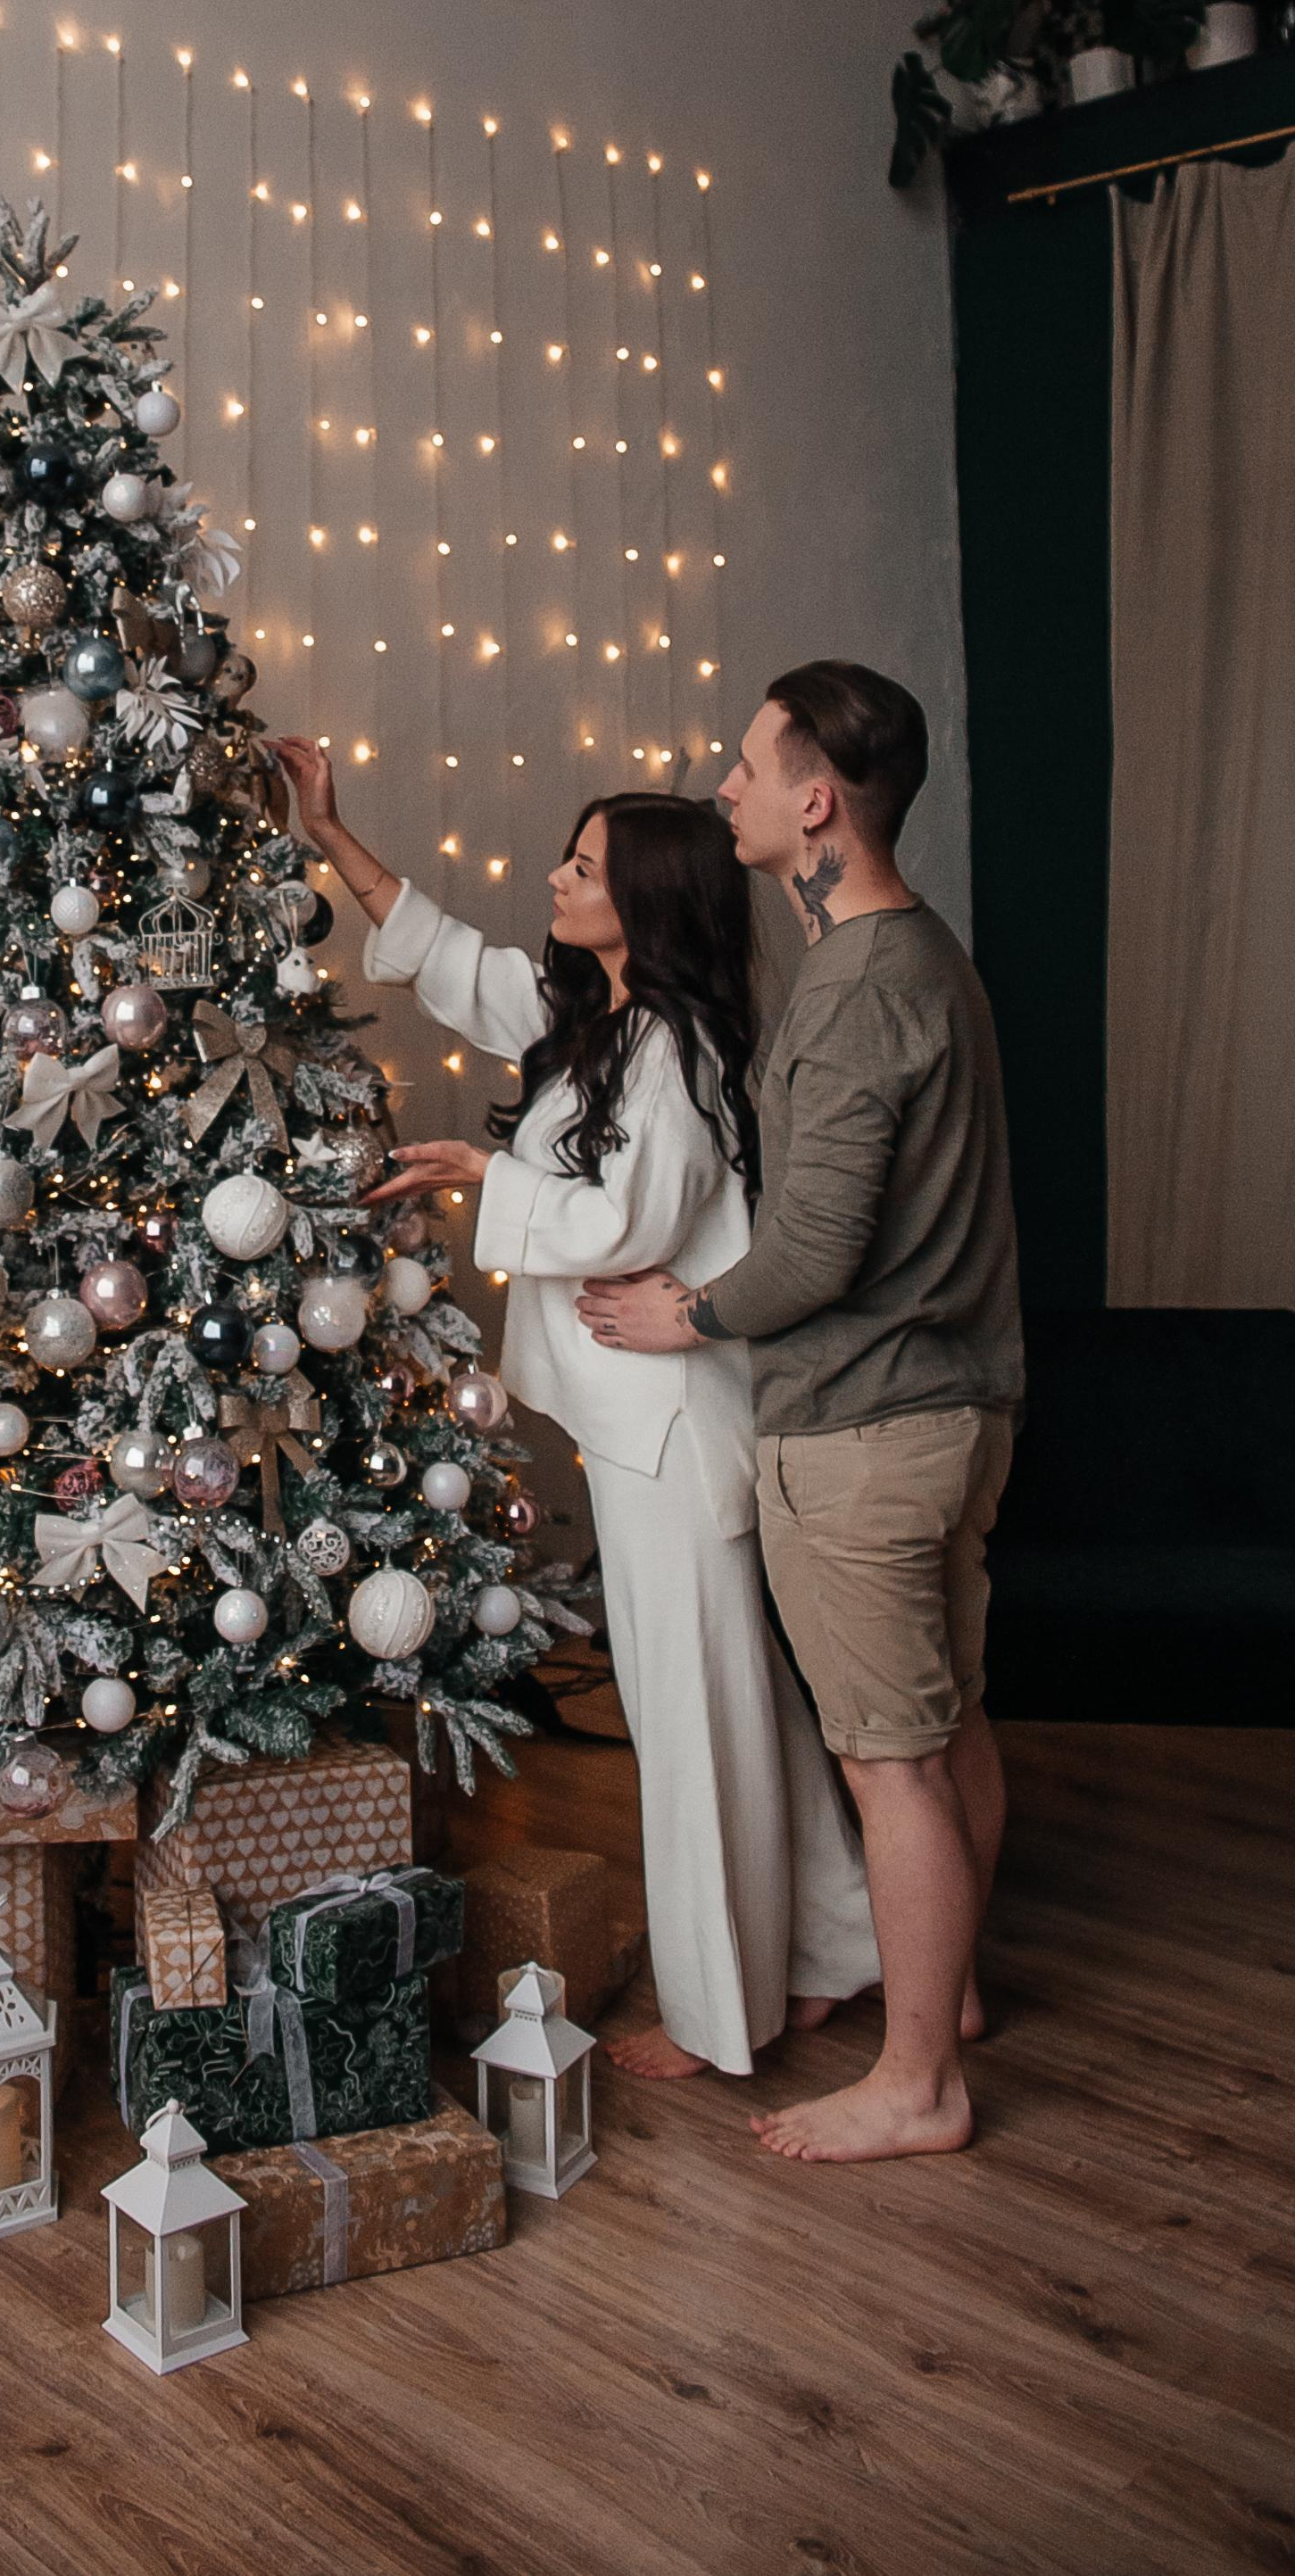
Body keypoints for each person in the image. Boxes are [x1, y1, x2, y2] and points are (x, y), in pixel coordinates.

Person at [267, 733, 878, 2083]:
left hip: (677, 1429)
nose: (555, 875)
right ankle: (837, 1952)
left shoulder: (673, 1048)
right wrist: (330, 826)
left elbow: (631, 1219)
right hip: (647, 1425)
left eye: (585, 865)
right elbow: (457, 963)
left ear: (645, 899)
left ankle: (726, 2020)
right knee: (746, 1705)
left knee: (691, 1724)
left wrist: (489, 1177)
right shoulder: (600, 1021)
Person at [578, 662, 1023, 2165]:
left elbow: (817, 1248)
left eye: (751, 768)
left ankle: (917, 2084)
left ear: (819, 801)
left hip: (865, 1431)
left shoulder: (848, 994)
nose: (727, 791)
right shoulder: (927, 955)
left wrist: (682, 1314)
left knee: (885, 1758)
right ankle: (940, 2002)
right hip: (958, 1412)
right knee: (946, 1720)